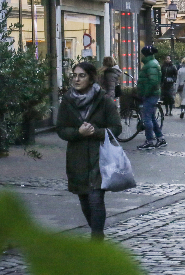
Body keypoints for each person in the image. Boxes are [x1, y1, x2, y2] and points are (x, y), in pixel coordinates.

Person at [56, 62, 121, 240]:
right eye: (74, 75)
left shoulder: (104, 100)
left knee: (95, 199)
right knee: (84, 200)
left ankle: (97, 238)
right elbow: (61, 129)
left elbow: (116, 128)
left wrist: (96, 132)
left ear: (91, 78)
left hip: (100, 157)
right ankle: (96, 231)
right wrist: (78, 132)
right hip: (77, 159)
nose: (77, 79)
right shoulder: (68, 101)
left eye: (81, 75)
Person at [136, 46, 166, 150]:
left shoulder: (150, 65)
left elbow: (153, 82)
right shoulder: (153, 63)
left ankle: (149, 141)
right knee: (152, 117)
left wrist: (145, 92)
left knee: (147, 118)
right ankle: (160, 138)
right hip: (153, 94)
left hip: (150, 95)